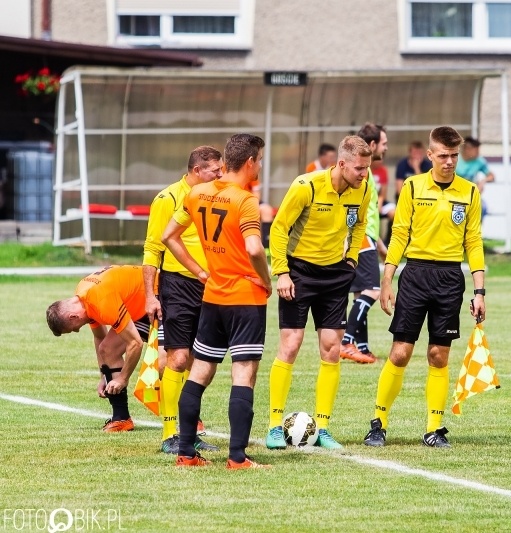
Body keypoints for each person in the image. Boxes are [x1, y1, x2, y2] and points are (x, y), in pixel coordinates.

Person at [363, 126, 485, 449]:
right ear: (430, 155)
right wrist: (386, 279)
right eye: (443, 155)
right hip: (415, 274)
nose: (449, 161)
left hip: (449, 279)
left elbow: (473, 242)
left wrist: (480, 291)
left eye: (454, 156)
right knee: (401, 352)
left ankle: (433, 428)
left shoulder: (470, 192)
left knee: (438, 355)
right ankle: (379, 422)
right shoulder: (414, 188)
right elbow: (399, 234)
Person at [162, 133, 272, 469]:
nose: (261, 166)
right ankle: (237, 457)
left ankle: (185, 453)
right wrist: (266, 281)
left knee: (199, 373)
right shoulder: (245, 200)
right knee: (244, 376)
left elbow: (168, 236)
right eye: (261, 160)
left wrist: (199, 271)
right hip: (245, 298)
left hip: (213, 297)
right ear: (250, 161)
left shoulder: (197, 193)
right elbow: (254, 248)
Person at [266, 135, 372, 451]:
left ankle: (322, 427)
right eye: (358, 169)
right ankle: (274, 426)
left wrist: (351, 260)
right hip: (299, 274)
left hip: (336, 275)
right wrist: (281, 272)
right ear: (340, 164)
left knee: (331, 347)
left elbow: (360, 226)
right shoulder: (306, 186)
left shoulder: (362, 189)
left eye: (366, 168)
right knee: (291, 344)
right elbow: (278, 228)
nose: (363, 175)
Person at [142, 145, 222, 454]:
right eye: (215, 169)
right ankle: (169, 434)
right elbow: (153, 248)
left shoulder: (214, 196)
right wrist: (151, 295)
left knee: (201, 361)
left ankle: (189, 429)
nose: (220, 174)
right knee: (176, 357)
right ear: (197, 170)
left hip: (212, 285)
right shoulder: (167, 198)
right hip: (178, 286)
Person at [46, 265, 150, 432]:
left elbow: (135, 343)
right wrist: (105, 376)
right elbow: (100, 337)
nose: (78, 330)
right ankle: (122, 419)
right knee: (107, 349)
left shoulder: (100, 300)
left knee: (173, 359)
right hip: (136, 305)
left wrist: (122, 378)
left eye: (73, 328)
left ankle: (194, 421)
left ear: (73, 316)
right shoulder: (83, 296)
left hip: (159, 296)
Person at [341, 123, 389, 364]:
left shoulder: (364, 172)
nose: (386, 147)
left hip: (366, 237)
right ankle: (347, 342)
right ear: (371, 145)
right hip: (360, 237)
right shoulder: (361, 173)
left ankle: (362, 346)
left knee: (361, 292)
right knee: (372, 290)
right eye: (384, 143)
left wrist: (379, 244)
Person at [456, 136, 495, 219]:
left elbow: (491, 176)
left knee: (482, 208)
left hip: (471, 195)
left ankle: (477, 230)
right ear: (467, 149)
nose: (478, 153)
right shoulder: (454, 159)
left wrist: (483, 181)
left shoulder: (479, 161)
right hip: (454, 194)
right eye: (476, 150)